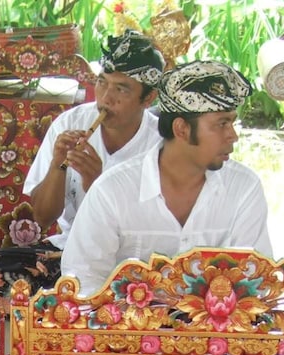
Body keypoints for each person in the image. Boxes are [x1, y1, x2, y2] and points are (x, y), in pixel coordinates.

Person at [0, 30, 165, 296]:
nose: (106, 98)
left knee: (161, 289)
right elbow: (42, 216)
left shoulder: (161, 143)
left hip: (134, 258)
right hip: (71, 249)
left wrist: (99, 183)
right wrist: (58, 165)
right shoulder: (70, 123)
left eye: (122, 89)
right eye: (103, 83)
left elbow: (160, 225)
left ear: (148, 98)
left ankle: (77, 309)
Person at [62, 59, 273, 296]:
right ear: (181, 129)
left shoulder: (244, 189)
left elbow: (257, 282)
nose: (232, 136)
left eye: (232, 123)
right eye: (221, 124)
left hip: (213, 332)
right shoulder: (112, 191)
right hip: (127, 329)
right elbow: (81, 281)